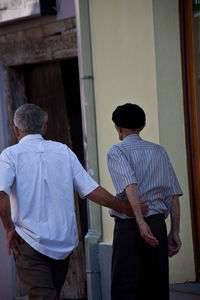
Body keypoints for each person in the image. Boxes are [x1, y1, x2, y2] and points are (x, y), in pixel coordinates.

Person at [0, 103, 148, 300]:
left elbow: (1, 194)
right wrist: (125, 208)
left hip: (28, 241)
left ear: (15, 130)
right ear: (44, 128)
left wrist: (9, 229)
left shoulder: (10, 155)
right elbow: (90, 190)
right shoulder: (63, 151)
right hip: (63, 243)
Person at [107, 103, 182, 300]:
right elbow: (173, 193)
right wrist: (174, 231)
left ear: (118, 128)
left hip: (129, 227)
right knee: (156, 288)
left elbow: (130, 184)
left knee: (126, 289)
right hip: (157, 225)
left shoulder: (117, 151)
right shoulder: (159, 151)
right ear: (143, 126)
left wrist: (140, 222)